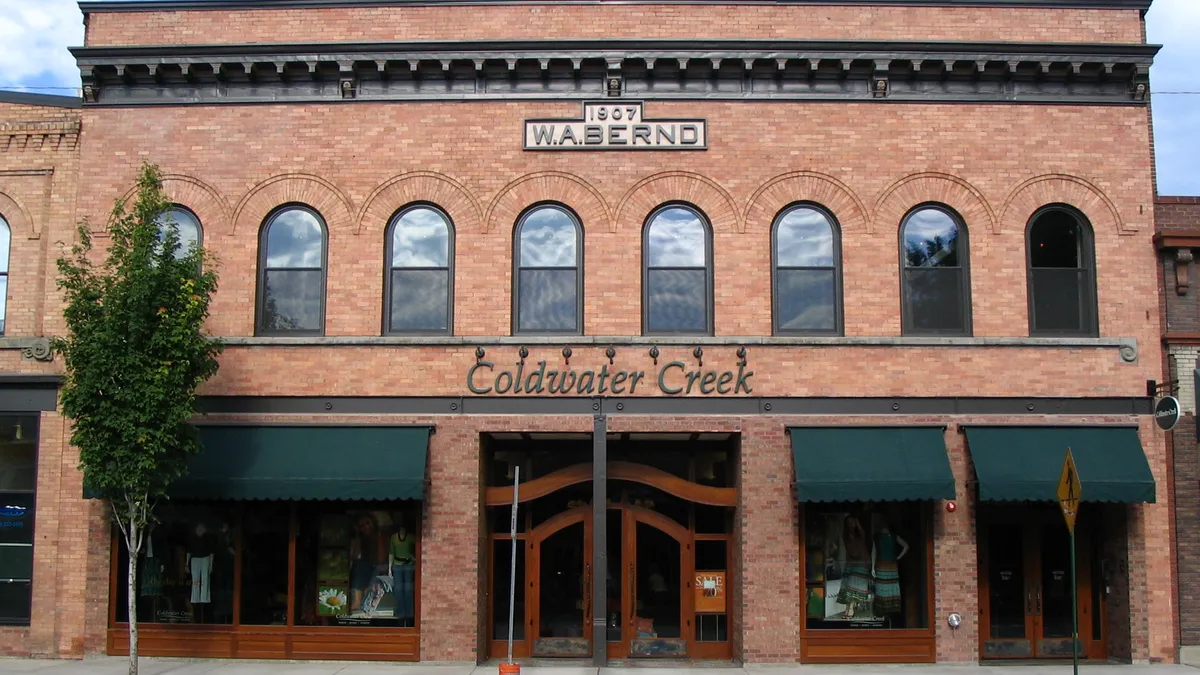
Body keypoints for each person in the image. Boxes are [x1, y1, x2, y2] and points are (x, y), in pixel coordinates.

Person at [349, 514, 384, 613]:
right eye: (362, 526)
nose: (366, 527)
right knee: (359, 566)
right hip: (367, 566)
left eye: (368, 523)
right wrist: (357, 538)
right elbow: (355, 555)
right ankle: (357, 602)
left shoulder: (379, 535)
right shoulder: (361, 539)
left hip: (381, 566)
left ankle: (363, 602)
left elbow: (381, 557)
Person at [389, 522, 416, 624]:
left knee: (408, 590)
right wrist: (389, 568)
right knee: (398, 590)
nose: (402, 530)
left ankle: (409, 615)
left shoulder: (410, 537)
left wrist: (414, 558)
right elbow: (391, 552)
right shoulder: (394, 538)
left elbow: (419, 546)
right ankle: (400, 615)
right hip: (397, 565)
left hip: (408, 565)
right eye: (401, 528)